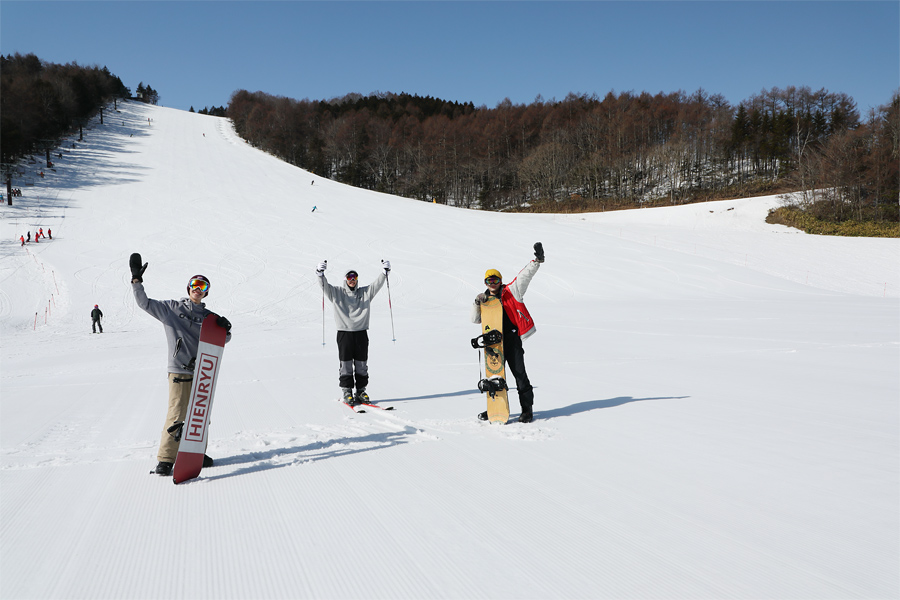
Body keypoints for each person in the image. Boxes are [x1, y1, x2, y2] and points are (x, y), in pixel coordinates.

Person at [129, 253, 232, 476]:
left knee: (201, 415)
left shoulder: (209, 317)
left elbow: (223, 339)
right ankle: (166, 459)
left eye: (202, 285)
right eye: (194, 284)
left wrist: (226, 328)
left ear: (206, 291)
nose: (198, 288)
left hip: (204, 372)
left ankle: (195, 453)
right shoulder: (171, 309)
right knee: (176, 414)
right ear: (188, 288)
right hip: (179, 370)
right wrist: (137, 280)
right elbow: (143, 303)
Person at [471, 242, 545, 423]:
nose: (493, 284)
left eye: (496, 280)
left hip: (511, 341)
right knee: (495, 377)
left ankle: (526, 410)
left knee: (520, 374)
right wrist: (476, 303)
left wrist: (537, 261)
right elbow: (475, 320)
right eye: (489, 281)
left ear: (500, 281)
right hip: (493, 344)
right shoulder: (485, 299)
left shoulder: (512, 291)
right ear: (485, 283)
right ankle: (495, 408)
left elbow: (524, 276)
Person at [317, 259, 390, 404]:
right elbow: (324, 287)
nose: (352, 280)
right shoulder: (337, 293)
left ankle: (361, 391)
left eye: (354, 278)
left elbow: (377, 285)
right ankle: (347, 391)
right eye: (350, 278)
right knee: (346, 364)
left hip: (361, 333)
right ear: (346, 279)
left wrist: (384, 273)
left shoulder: (365, 293)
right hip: (344, 333)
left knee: (361, 363)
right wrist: (320, 274)